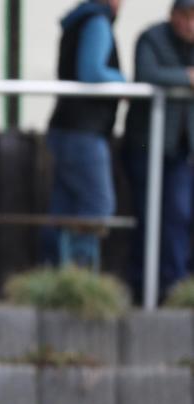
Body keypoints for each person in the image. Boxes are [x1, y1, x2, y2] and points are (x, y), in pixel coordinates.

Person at [45, 0, 124, 267]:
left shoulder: (78, 20)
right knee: (97, 206)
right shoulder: (96, 21)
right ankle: (77, 276)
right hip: (84, 131)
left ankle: (54, 275)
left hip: (67, 127)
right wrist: (126, 82)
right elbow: (92, 72)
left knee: (65, 210)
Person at [124, 0, 194, 302]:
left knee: (177, 216)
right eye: (186, 17)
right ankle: (148, 289)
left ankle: (173, 288)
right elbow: (146, 73)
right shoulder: (151, 37)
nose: (191, 24)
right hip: (145, 146)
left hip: (181, 152)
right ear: (173, 17)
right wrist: (187, 78)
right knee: (148, 217)